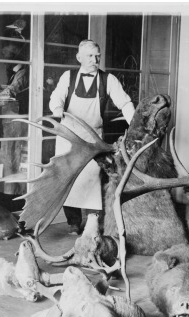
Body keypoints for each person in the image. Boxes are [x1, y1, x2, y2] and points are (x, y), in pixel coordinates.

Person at [49, 39, 135, 235]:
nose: (95, 60)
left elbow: (125, 103)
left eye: (97, 56)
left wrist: (134, 123)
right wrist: (57, 109)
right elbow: (56, 98)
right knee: (69, 177)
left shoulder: (108, 80)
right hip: (68, 136)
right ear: (79, 57)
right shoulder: (67, 77)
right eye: (90, 56)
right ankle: (73, 222)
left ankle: (93, 221)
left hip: (93, 137)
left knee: (92, 178)